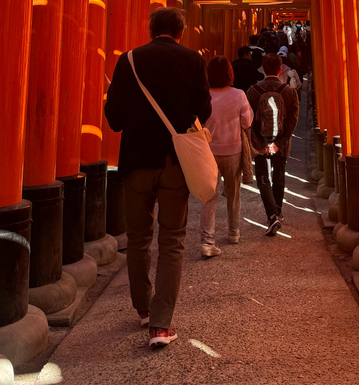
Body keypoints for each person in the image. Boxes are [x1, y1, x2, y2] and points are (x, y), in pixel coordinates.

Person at [104, 7, 211, 349]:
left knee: (137, 237)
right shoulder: (193, 60)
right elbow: (204, 109)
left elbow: (114, 117)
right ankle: (161, 326)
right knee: (172, 239)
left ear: (151, 29)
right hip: (176, 162)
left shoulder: (129, 60)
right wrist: (182, 119)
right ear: (181, 31)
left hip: (137, 161)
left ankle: (143, 308)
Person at [199, 56, 253, 257]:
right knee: (234, 193)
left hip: (209, 152)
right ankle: (233, 233)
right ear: (230, 74)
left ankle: (207, 241)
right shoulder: (239, 95)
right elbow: (246, 122)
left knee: (209, 197)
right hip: (233, 150)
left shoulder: (204, 96)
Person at [247, 53, 299, 236]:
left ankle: (271, 215)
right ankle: (278, 211)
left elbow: (248, 121)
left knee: (262, 178)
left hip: (260, 140)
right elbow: (292, 121)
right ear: (280, 68)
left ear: (262, 67)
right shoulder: (289, 92)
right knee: (279, 174)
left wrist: (259, 143)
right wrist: (280, 143)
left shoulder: (253, 91)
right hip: (282, 140)